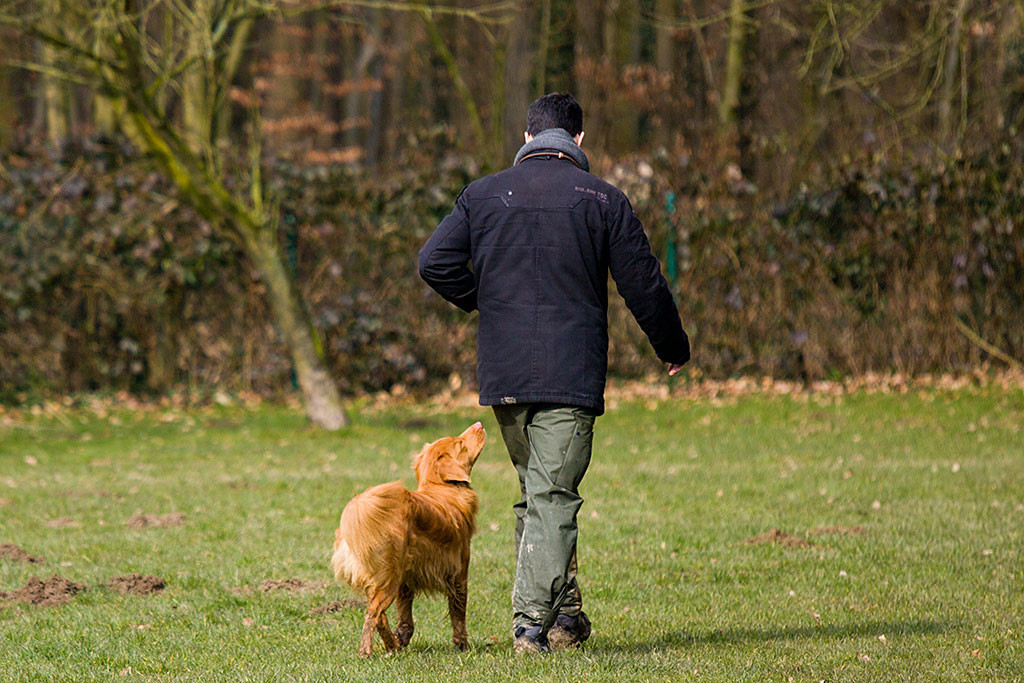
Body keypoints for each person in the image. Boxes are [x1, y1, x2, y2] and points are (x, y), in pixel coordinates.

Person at [418, 92, 690, 653]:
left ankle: (566, 616)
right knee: (552, 496)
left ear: (527, 138)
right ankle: (530, 626)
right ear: (579, 140)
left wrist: (484, 301)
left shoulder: (482, 194)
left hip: (504, 374)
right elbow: (643, 283)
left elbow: (433, 262)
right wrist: (672, 345)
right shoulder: (603, 199)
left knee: (539, 493)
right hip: (571, 372)